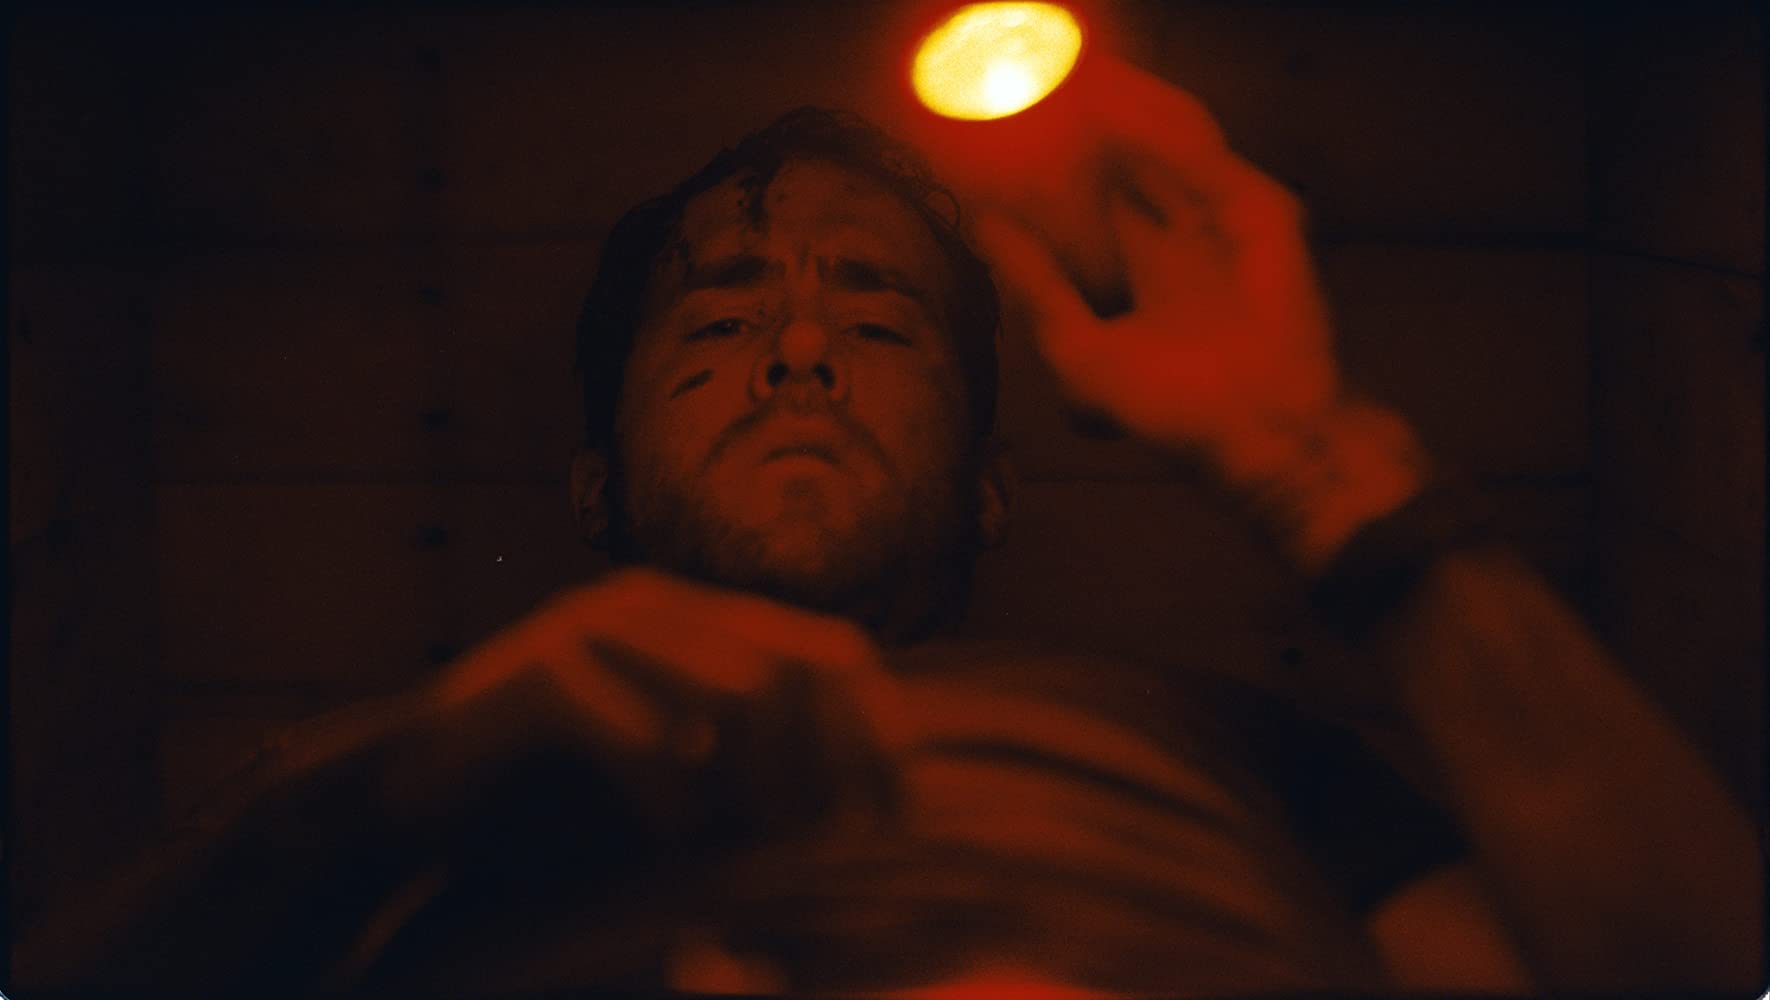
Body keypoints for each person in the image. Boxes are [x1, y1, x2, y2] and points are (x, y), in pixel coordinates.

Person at [23, 61, 1760, 997]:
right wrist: (383, 793)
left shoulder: (1210, 746)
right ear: (592, 488)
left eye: (873, 318)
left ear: (988, 486)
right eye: (719, 322)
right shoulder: (390, 778)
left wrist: (1310, 453)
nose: (795, 351)